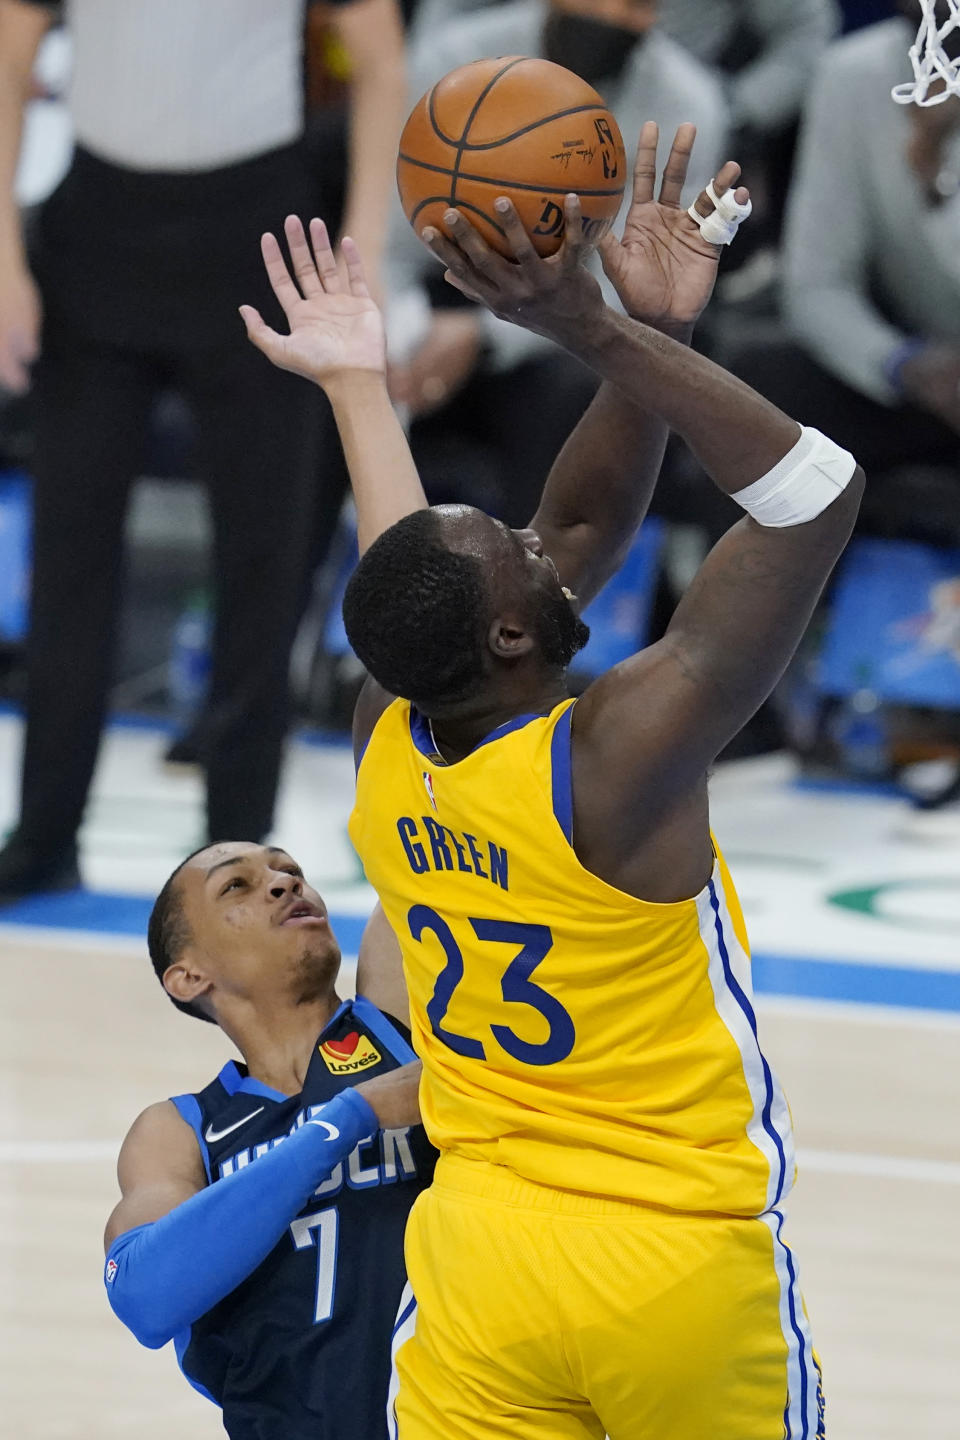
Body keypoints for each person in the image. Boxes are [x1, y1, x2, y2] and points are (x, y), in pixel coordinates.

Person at [241, 120, 860, 1437]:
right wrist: (597, 329)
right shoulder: (620, 757)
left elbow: (536, 543)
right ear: (516, 636)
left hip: (479, 1264)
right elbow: (813, 493)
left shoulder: (389, 730)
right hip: (669, 1261)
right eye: (515, 552)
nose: (542, 539)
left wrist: (637, 340)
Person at [0, 0, 407, 899]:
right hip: (93, 228)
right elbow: (10, 50)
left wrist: (365, 245)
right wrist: (2, 256)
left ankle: (238, 850)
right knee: (69, 549)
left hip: (257, 227)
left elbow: (380, 61)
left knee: (263, 558)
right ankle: (46, 829)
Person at [104, 840, 433, 1440]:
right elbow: (146, 1297)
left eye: (291, 872)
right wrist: (345, 1122)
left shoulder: (395, 1025)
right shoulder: (179, 1131)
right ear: (188, 975)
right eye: (238, 886)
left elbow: (426, 842)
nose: (284, 884)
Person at [386, 0, 727, 523]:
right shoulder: (454, 63)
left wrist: (486, 338)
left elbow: (628, 287)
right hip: (433, 297)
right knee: (337, 364)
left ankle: (542, 590)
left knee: (578, 392)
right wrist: (395, 336)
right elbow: (388, 244)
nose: (610, 16)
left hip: (560, 329)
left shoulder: (689, 105)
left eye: (634, 5)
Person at [729, 1, 960, 544]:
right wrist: (904, 364)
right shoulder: (853, 74)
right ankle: (767, 615)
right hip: (933, 372)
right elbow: (817, 285)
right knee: (760, 383)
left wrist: (934, 176)